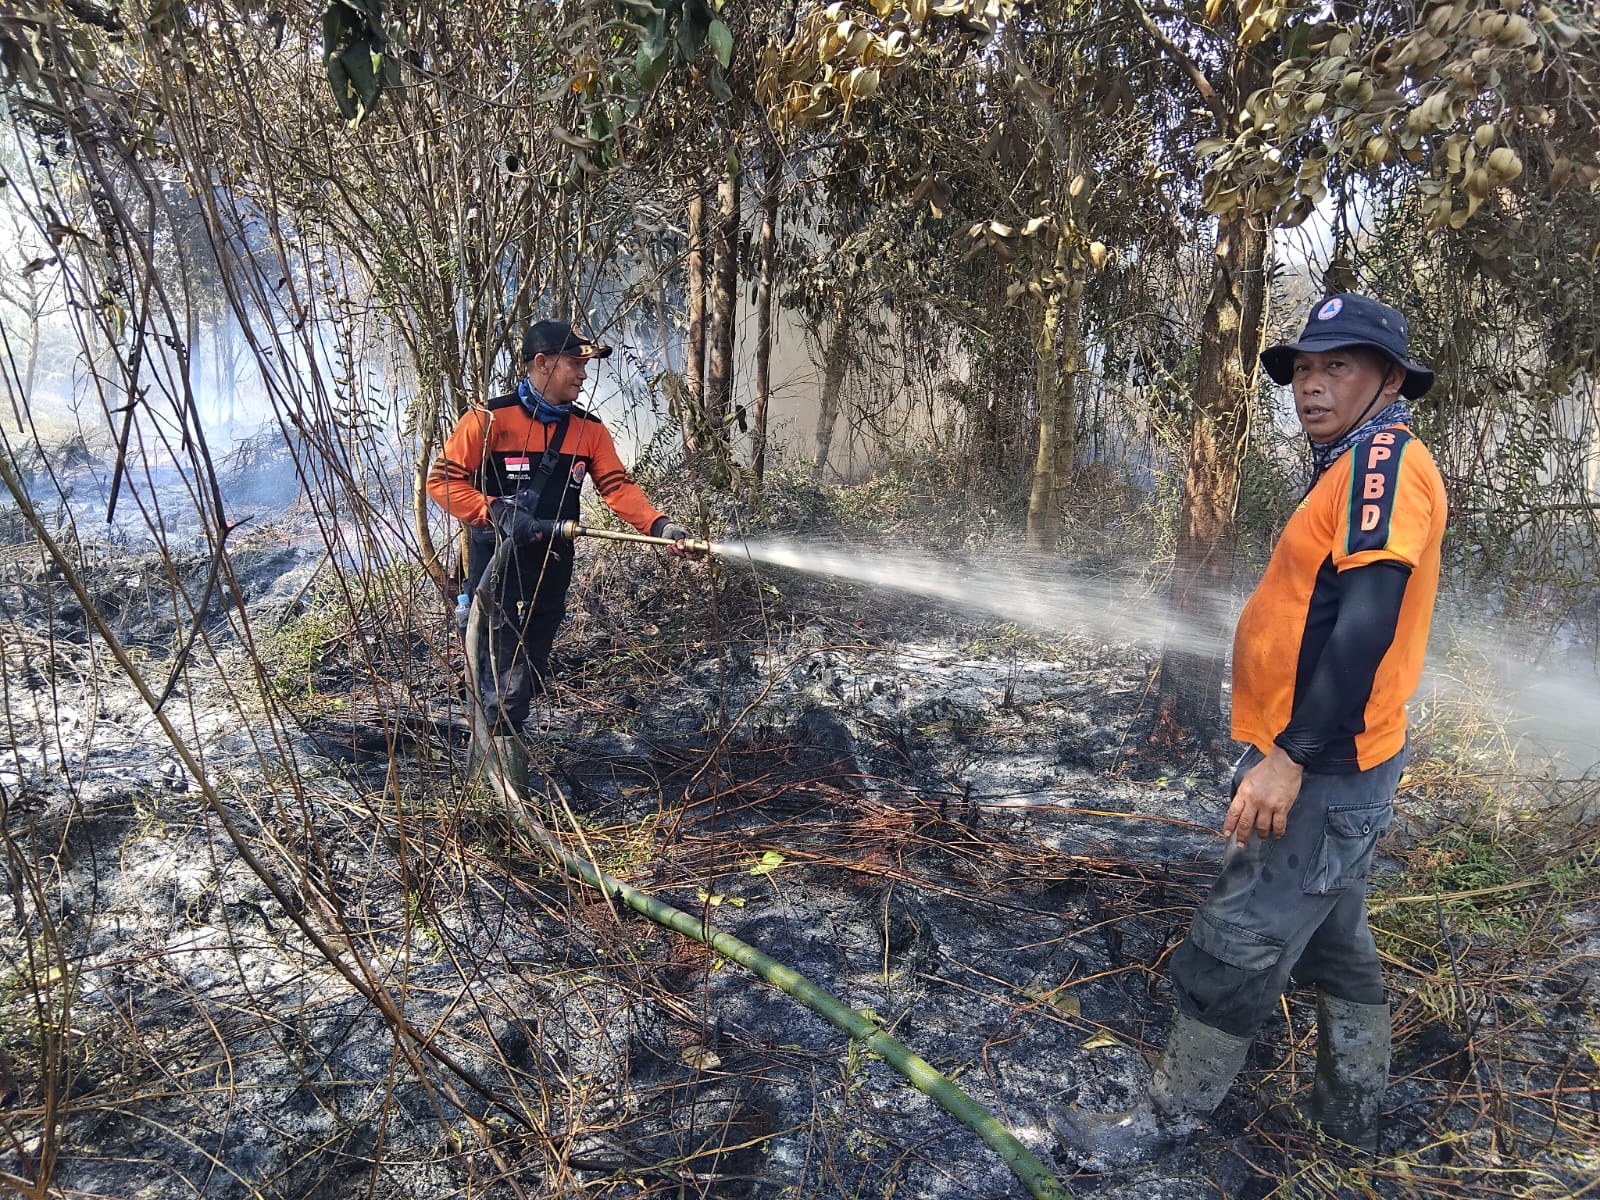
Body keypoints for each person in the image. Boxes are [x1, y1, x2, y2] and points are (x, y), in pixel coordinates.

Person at [1051, 293, 1447, 1169]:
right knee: (1335, 940)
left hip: (1322, 767)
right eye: (1303, 368)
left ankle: (1165, 1119)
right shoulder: (1351, 462)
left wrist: (1289, 758)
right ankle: (1349, 1118)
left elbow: (1366, 622)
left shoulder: (1381, 465)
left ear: (1388, 379)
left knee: (1238, 937)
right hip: (1339, 763)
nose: (1310, 385)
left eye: (1336, 366)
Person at [427, 319, 696, 738]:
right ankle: (498, 766)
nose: (584, 375)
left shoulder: (589, 430)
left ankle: (498, 733)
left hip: (551, 566)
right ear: (541, 364)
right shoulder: (488, 420)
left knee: (530, 671)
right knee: (503, 676)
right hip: (496, 565)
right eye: (575, 363)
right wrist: (493, 509)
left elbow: (617, 488)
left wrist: (661, 527)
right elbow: (441, 482)